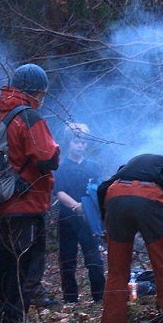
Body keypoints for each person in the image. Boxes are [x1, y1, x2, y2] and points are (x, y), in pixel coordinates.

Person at [0, 64, 61, 323]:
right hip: (26, 203)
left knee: (3, 261)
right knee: (25, 264)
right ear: (37, 92)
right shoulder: (29, 116)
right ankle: (14, 319)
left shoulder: (1, 115)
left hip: (1, 201)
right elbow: (47, 157)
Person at [98, 152, 163, 323]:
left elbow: (102, 188)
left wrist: (105, 221)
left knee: (117, 272)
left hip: (115, 195)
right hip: (149, 196)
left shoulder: (141, 164)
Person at [52, 123, 106, 304]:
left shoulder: (93, 166)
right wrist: (77, 206)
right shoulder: (60, 166)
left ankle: (99, 296)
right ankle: (70, 298)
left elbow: (98, 189)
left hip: (88, 219)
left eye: (83, 142)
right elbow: (59, 191)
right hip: (67, 217)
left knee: (94, 258)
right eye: (76, 142)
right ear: (69, 143)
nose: (80, 145)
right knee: (67, 259)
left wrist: (89, 208)